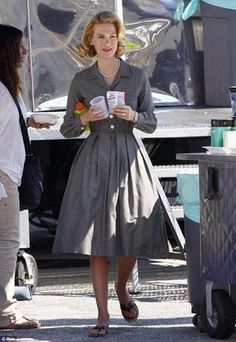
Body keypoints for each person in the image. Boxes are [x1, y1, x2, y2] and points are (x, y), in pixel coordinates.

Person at [53, 11, 168, 337]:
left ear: (119, 41)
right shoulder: (81, 81)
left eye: (112, 37)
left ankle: (122, 287)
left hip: (129, 157)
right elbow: (67, 129)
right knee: (97, 242)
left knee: (130, 234)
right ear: (90, 40)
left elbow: (151, 121)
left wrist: (133, 114)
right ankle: (102, 315)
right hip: (94, 159)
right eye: (100, 36)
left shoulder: (136, 76)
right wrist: (85, 117)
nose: (106, 42)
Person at [0, 24, 49, 330]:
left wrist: (29, 122)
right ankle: (5, 313)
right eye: (19, 46)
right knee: (8, 243)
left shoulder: (8, 86)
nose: (25, 51)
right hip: (3, 175)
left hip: (8, 172)